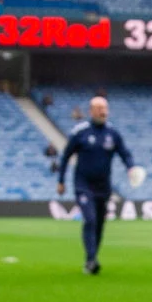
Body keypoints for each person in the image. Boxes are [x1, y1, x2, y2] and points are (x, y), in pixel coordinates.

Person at [56, 94, 136, 276]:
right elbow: (66, 156)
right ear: (91, 111)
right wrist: (61, 180)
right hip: (83, 185)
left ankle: (91, 259)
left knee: (99, 224)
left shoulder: (113, 133)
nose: (103, 112)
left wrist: (131, 167)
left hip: (103, 187)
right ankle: (92, 260)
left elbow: (125, 153)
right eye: (99, 109)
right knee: (90, 219)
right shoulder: (80, 132)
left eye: (105, 108)